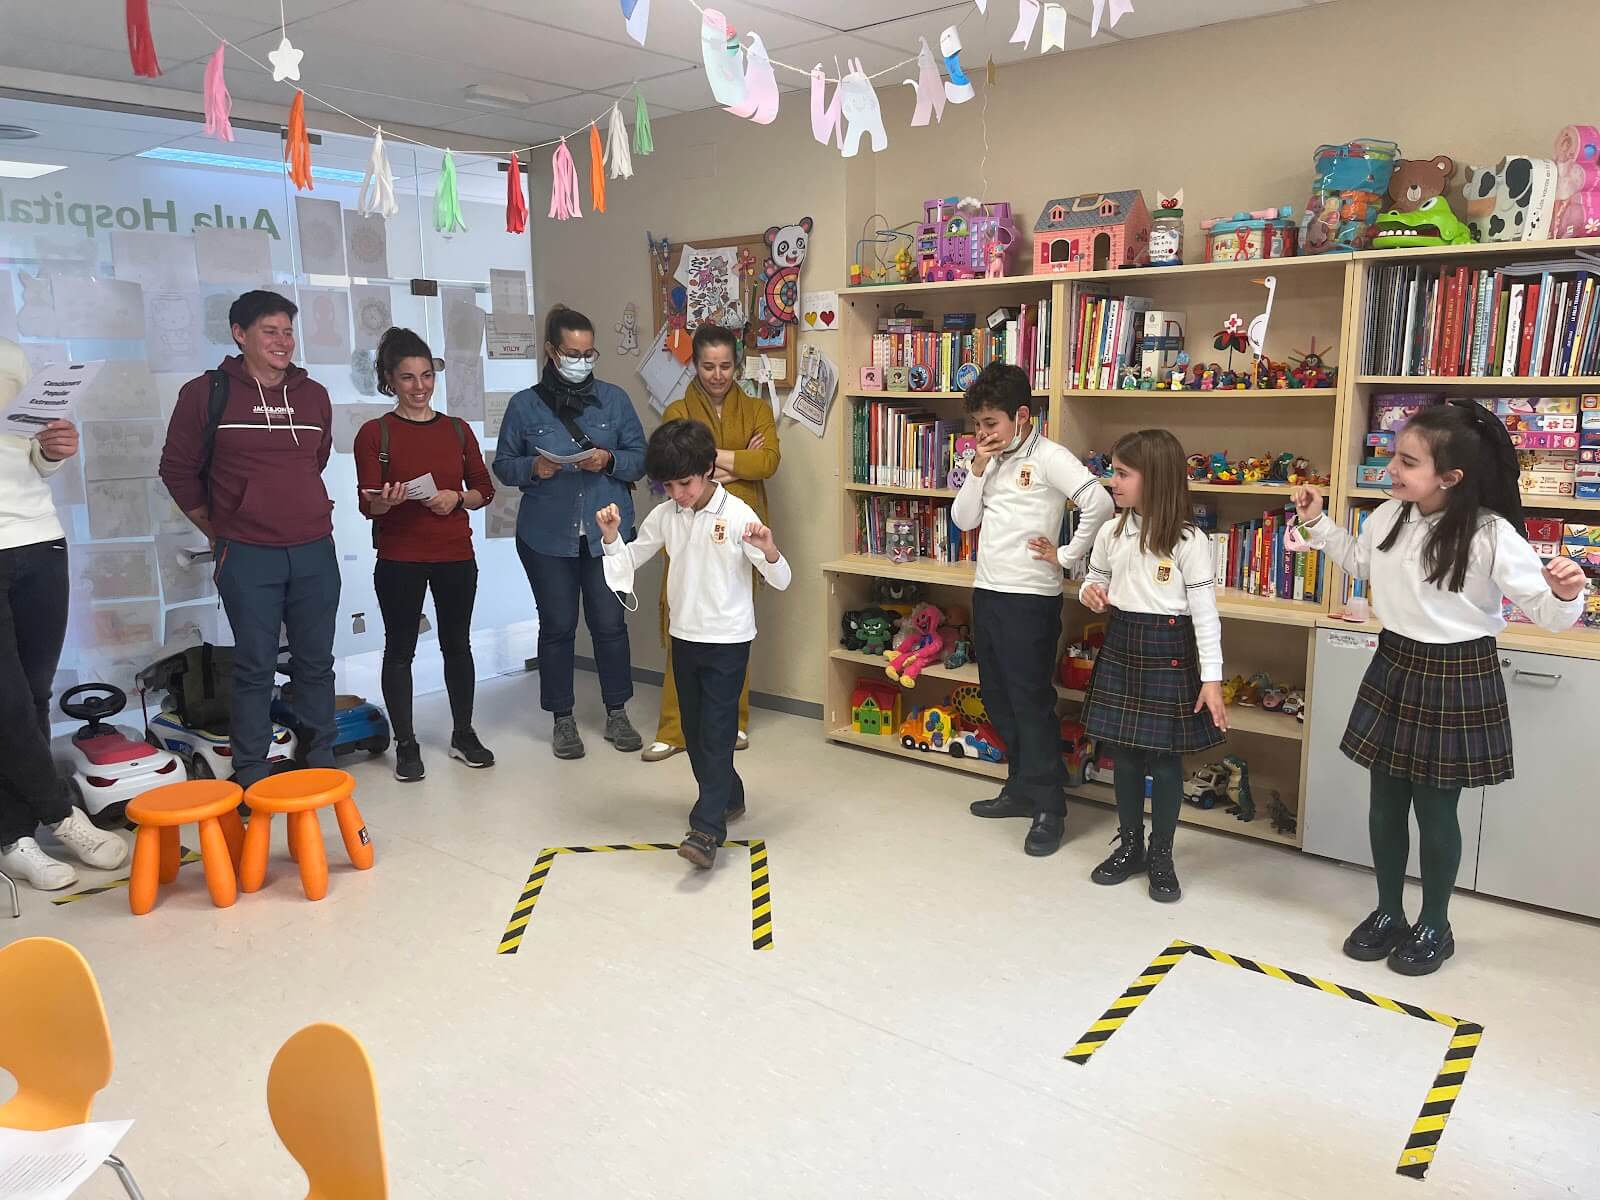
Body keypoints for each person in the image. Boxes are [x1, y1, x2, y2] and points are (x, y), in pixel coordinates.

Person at [1294, 401, 1587, 976]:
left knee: (1434, 809)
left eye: (1407, 461)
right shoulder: (1388, 516)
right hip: (1396, 662)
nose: (1392, 469)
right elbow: (1359, 561)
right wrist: (1317, 521)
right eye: (1393, 455)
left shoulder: (1490, 534)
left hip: (1456, 673)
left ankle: (1436, 922)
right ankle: (1387, 913)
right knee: (1384, 801)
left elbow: (1551, 616)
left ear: (1450, 477)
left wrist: (1566, 591)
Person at [158, 290, 338, 789]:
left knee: (316, 663)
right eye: (269, 331)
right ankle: (253, 772)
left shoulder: (313, 395)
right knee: (255, 666)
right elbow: (176, 470)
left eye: (287, 331)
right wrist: (217, 528)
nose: (282, 342)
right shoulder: (206, 392)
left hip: (314, 548)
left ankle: (323, 760)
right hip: (247, 552)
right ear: (239, 334)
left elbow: (313, 461)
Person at [597, 419, 790, 869]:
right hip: (684, 638)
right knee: (696, 731)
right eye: (668, 485)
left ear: (707, 470)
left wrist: (770, 550)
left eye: (684, 483)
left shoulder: (740, 514)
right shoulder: (666, 515)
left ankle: (706, 829)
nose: (678, 493)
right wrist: (610, 538)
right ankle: (729, 796)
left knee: (717, 731)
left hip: (728, 641)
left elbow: (782, 580)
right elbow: (631, 560)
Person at [1048, 429, 1228, 902]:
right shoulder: (1111, 532)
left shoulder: (1190, 541)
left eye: (1124, 473)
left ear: (1158, 479)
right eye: (1113, 471)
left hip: (1169, 648)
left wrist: (1212, 679)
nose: (1113, 481)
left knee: (1166, 763)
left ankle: (1162, 854)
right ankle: (1130, 846)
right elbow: (1099, 578)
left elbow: (1206, 615)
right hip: (1123, 642)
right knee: (1124, 756)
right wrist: (1092, 591)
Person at [951, 362, 1114, 857]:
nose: (983, 433)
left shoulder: (1049, 457)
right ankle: (1020, 787)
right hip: (989, 592)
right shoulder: (990, 461)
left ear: (1021, 416)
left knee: (1030, 702)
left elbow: (1100, 503)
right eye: (977, 425)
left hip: (1030, 600)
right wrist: (977, 469)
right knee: (998, 698)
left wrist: (1068, 557)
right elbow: (963, 519)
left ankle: (1050, 807)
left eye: (991, 424)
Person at [0, 338, 129, 889]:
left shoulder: (9, 353)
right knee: (5, 703)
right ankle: (59, 814)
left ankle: (13, 836)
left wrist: (54, 447)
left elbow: (35, 457)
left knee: (31, 696)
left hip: (38, 538)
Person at [494, 305, 647, 760]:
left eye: (588, 352)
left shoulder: (615, 400)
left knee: (609, 624)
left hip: (607, 534)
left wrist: (609, 460)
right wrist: (536, 467)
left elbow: (641, 456)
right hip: (547, 536)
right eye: (571, 352)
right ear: (551, 351)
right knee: (557, 626)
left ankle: (616, 711)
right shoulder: (524, 404)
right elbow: (503, 465)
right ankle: (562, 719)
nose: (581, 360)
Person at [355, 328, 497, 782]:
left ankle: (463, 733)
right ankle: (407, 743)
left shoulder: (457, 430)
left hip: (455, 553)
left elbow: (485, 490)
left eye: (426, 375)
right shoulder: (375, 434)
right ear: (389, 380)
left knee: (458, 645)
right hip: (400, 557)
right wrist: (388, 501)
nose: (419, 387)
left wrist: (458, 499)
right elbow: (367, 505)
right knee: (400, 650)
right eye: (408, 378)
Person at [644, 323, 780, 762]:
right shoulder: (678, 408)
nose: (717, 375)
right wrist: (742, 460)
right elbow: (677, 465)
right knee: (680, 628)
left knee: (732, 630)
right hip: (687, 532)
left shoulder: (756, 407)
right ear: (695, 365)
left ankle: (735, 723)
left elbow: (770, 461)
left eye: (725, 366)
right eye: (708, 366)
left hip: (740, 532)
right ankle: (673, 728)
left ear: (736, 365)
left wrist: (710, 458)